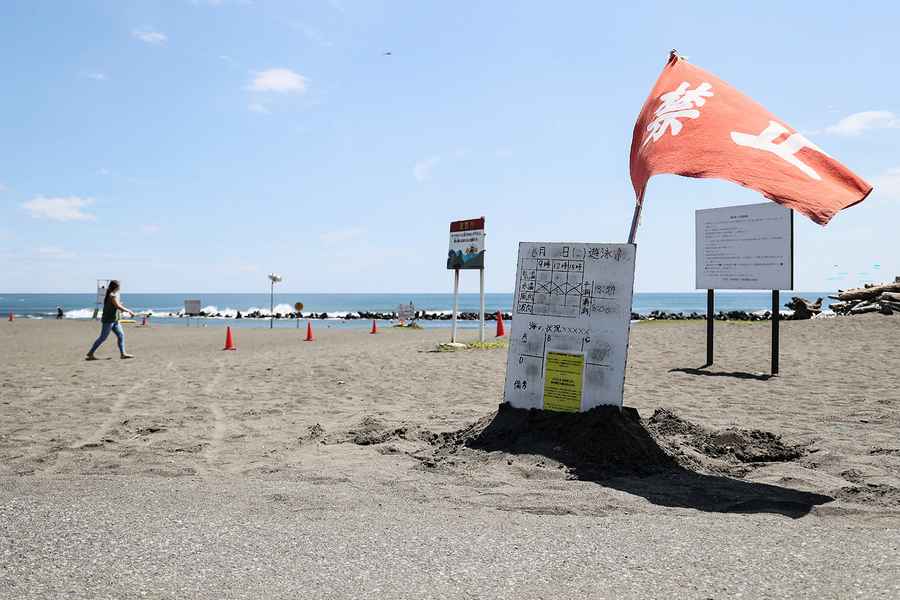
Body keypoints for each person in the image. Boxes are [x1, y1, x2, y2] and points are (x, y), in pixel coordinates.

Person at [86, 280, 135, 360]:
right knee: (103, 338)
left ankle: (123, 354)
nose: (120, 287)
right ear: (116, 287)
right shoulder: (112, 295)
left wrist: (121, 307)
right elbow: (117, 306)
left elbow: (116, 306)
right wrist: (129, 311)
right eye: (119, 286)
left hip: (115, 320)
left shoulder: (114, 294)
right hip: (108, 319)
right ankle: (90, 353)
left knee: (121, 335)